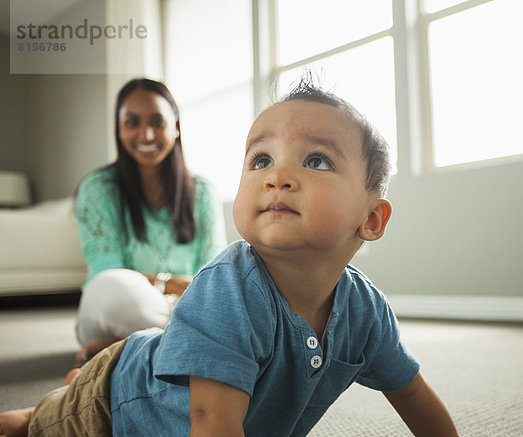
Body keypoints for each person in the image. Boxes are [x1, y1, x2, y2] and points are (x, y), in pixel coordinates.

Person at [0, 78, 458, 437]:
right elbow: (212, 422)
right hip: (116, 398)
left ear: (372, 219)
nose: (277, 175)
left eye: (316, 160)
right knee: (44, 426)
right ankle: (49, 402)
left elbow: (412, 391)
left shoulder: (367, 312)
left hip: (173, 321)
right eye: (260, 160)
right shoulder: (231, 288)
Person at [73, 78, 226, 364]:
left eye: (157, 121)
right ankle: (175, 347)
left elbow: (213, 275)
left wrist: (185, 296)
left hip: (186, 308)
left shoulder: (203, 192)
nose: (145, 134)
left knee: (229, 300)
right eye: (132, 123)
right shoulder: (97, 188)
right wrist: (169, 284)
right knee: (112, 289)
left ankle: (120, 352)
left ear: (176, 126)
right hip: (118, 308)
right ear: (119, 130)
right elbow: (107, 271)